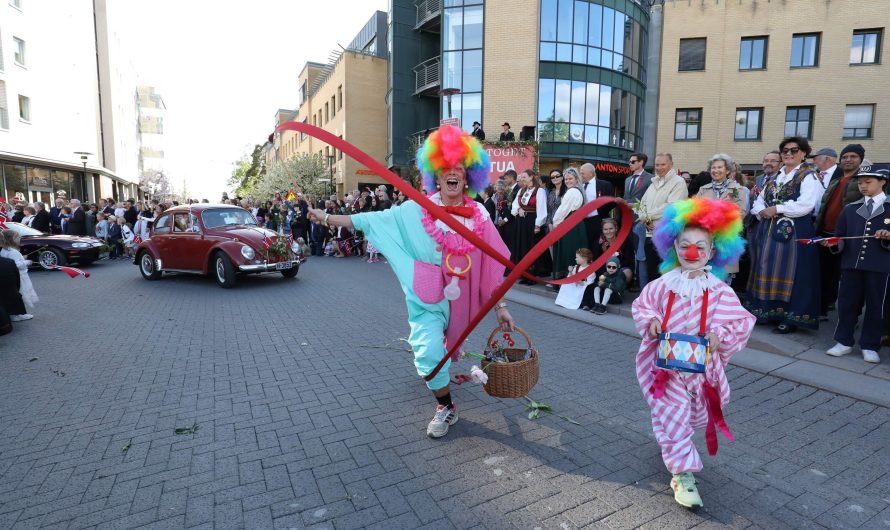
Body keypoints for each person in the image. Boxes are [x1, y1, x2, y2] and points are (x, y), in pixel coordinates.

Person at [306, 124, 515, 439]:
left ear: (469, 173)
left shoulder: (480, 217)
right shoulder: (417, 208)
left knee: (446, 349)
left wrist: (501, 306)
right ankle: (446, 406)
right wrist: (325, 217)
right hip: (428, 294)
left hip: (463, 297)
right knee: (429, 352)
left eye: (459, 167)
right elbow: (371, 220)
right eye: (445, 168)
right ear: (435, 174)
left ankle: (440, 375)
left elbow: (492, 262)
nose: (452, 172)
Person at [632, 197, 754, 509]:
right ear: (673, 247)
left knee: (687, 418)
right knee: (675, 415)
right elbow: (642, 307)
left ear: (713, 251)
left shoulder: (720, 290)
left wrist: (719, 334)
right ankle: (682, 474)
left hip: (701, 370)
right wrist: (652, 322)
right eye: (685, 245)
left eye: (701, 247)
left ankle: (672, 441)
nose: (692, 253)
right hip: (666, 370)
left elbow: (739, 321)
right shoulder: (662, 285)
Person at [746, 136, 821, 334]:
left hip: (794, 231)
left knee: (792, 272)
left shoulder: (808, 175)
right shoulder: (774, 177)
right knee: (767, 268)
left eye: (794, 150)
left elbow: (806, 205)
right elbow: (759, 202)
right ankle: (768, 312)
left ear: (804, 153)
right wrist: (762, 211)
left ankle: (789, 317)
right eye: (785, 150)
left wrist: (777, 208)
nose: (788, 153)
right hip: (769, 231)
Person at [824, 165, 890, 364]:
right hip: (851, 264)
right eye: (860, 182)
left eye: (868, 182)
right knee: (847, 304)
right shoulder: (850, 209)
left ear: (882, 182)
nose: (863, 186)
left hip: (879, 266)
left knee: (875, 306)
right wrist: (834, 243)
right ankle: (843, 341)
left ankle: (870, 345)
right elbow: (840, 236)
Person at [815, 144, 865, 319]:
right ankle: (822, 309)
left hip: (846, 237)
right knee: (824, 273)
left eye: (853, 156)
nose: (848, 160)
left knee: (847, 278)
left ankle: (849, 317)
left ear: (860, 160)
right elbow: (823, 208)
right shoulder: (835, 181)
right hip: (825, 234)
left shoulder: (862, 181)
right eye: (845, 157)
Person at [638, 153, 688, 286]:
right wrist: (645, 218)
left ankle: (666, 305)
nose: (659, 168)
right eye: (657, 165)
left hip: (668, 236)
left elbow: (671, 206)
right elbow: (641, 204)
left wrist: (648, 216)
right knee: (652, 273)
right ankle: (652, 303)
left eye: (663, 164)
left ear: (671, 165)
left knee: (666, 275)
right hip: (650, 233)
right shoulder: (654, 182)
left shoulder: (678, 182)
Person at [697, 154, 748, 277]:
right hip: (705, 239)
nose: (715, 170)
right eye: (713, 168)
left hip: (725, 239)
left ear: (728, 170)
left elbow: (740, 213)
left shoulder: (737, 190)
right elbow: (696, 212)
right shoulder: (703, 189)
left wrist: (716, 216)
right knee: (703, 277)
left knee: (723, 279)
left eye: (720, 167)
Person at [511, 169, 550, 284]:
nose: (522, 179)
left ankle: (533, 274)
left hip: (532, 222)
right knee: (522, 247)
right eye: (521, 177)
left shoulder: (540, 191)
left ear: (531, 177)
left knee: (531, 247)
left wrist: (538, 225)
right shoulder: (521, 190)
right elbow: (514, 205)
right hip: (521, 222)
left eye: (524, 177)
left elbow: (542, 209)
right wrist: (518, 209)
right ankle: (525, 274)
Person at [550, 168, 588, 284]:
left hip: (569, 224)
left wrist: (556, 222)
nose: (567, 181)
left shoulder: (572, 192)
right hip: (575, 224)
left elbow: (563, 210)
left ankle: (566, 281)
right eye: (566, 179)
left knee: (568, 252)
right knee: (574, 251)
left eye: (570, 178)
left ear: (576, 179)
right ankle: (573, 279)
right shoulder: (578, 191)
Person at [0, 229, 38, 320]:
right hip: (20, 276)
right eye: (17, 237)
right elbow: (16, 265)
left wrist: (22, 258)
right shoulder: (13, 252)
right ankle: (18, 314)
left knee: (15, 295)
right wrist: (27, 262)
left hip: (11, 277)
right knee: (21, 295)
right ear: (10, 239)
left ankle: (13, 313)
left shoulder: (5, 251)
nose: (19, 238)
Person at [580, 163, 614, 252]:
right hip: (582, 222)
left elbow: (611, 202)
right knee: (583, 245)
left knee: (598, 246)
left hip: (598, 220)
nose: (581, 175)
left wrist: (600, 212)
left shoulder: (605, 185)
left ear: (591, 173)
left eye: (582, 173)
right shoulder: (579, 186)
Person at [593, 217, 634, 284]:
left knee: (627, 273)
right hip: (604, 271)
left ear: (616, 228)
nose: (608, 232)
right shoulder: (598, 243)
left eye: (611, 229)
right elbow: (596, 262)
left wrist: (615, 269)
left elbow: (629, 260)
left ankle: (619, 289)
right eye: (605, 229)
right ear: (602, 230)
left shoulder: (624, 240)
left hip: (620, 268)